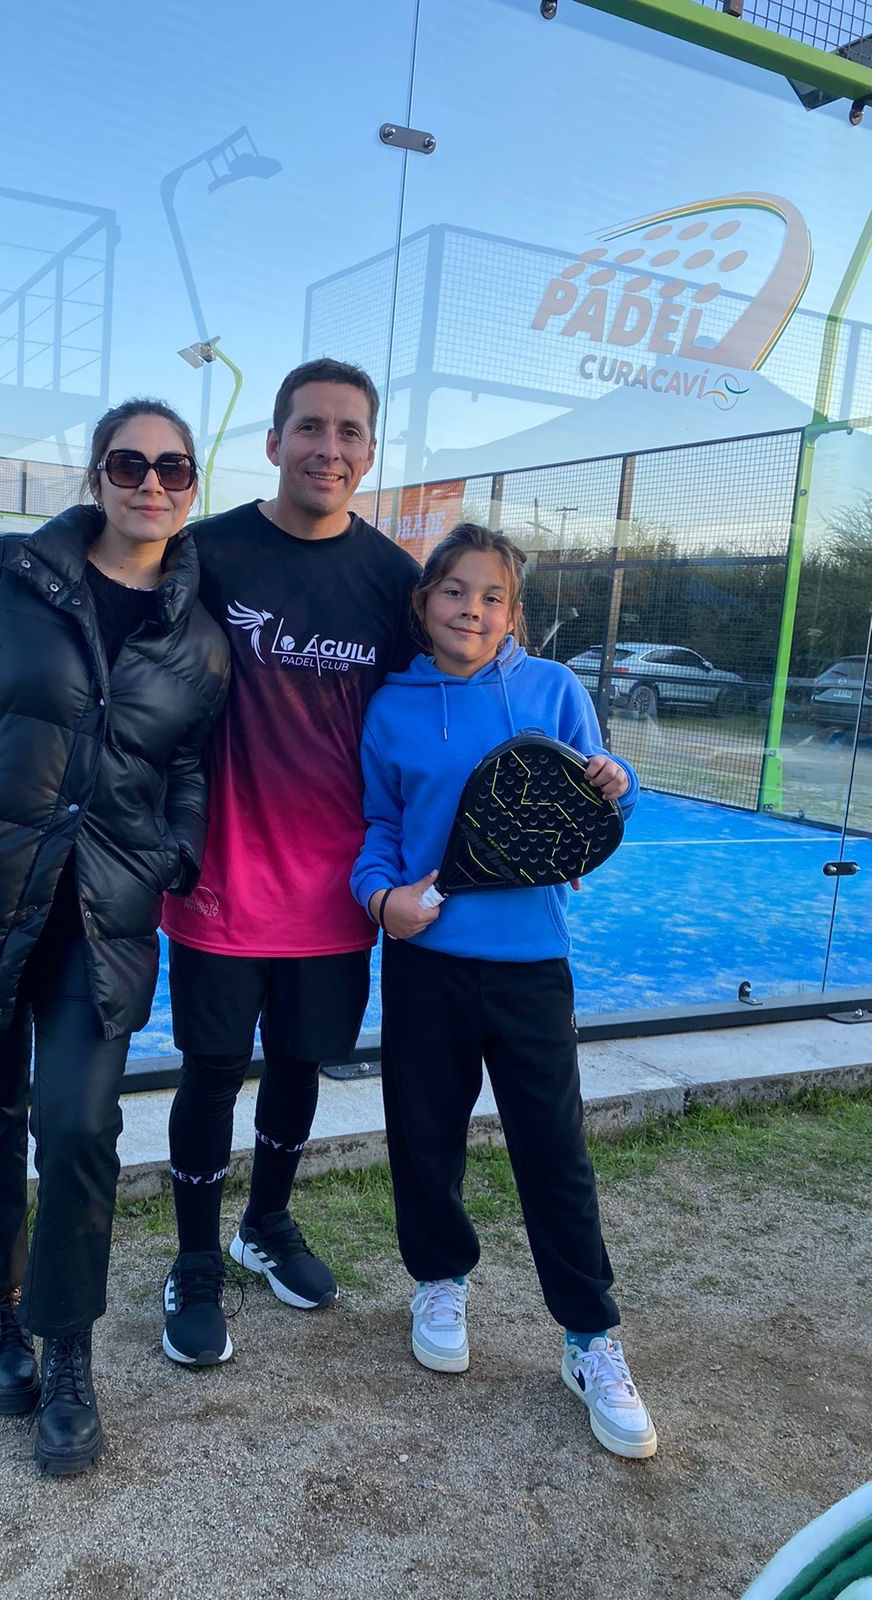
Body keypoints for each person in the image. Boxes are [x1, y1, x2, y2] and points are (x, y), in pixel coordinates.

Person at [0, 359, 421, 1367]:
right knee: (213, 1073)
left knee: (299, 1067)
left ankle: (266, 1222)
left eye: (349, 433)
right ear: (274, 442)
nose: (328, 448)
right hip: (218, 883)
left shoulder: (394, 582)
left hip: (336, 891)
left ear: (371, 453)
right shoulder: (208, 553)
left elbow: (450, 694)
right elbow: (94, 612)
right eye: (310, 427)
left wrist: (553, 776)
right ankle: (194, 1260)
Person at [0, 400, 229, 1476]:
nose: (150, 483)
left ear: (191, 485)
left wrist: (175, 853)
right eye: (129, 462)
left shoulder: (200, 640)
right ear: (96, 473)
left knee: (78, 1128)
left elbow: (189, 765)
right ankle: (0, 1306)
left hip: (102, 916)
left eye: (173, 467)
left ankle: (67, 1348)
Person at [350, 522, 657, 1460]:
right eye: (454, 591)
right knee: (425, 1136)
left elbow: (597, 804)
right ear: (424, 603)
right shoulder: (391, 707)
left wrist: (619, 781)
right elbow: (379, 828)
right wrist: (382, 899)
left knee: (554, 1150)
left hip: (531, 967)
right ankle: (439, 1280)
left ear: (513, 613)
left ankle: (590, 1337)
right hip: (426, 963)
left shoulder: (554, 690)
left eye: (491, 597)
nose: (471, 610)